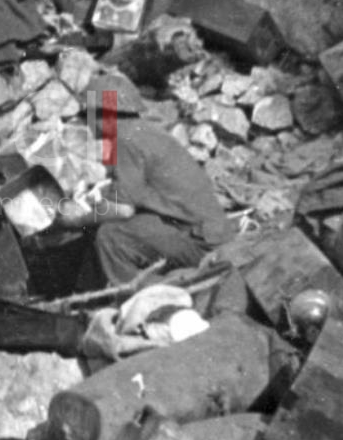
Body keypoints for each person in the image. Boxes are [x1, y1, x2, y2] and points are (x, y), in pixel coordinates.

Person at [73, 73, 236, 286]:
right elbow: (131, 190)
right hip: (206, 234)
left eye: (86, 115)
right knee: (110, 225)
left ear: (100, 115)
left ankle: (142, 295)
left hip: (202, 245)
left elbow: (123, 209)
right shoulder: (143, 131)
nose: (86, 123)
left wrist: (74, 219)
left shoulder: (125, 140)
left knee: (110, 235)